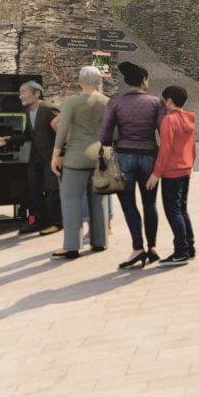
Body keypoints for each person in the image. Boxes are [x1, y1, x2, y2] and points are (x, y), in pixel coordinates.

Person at [101, 60, 166, 270]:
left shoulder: (115, 103)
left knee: (129, 204)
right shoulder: (157, 103)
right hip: (149, 157)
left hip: (124, 158)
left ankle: (137, 248)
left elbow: (104, 136)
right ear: (144, 80)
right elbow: (163, 134)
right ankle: (153, 247)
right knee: (150, 204)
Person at [50, 66, 111, 260]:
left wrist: (55, 155)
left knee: (71, 200)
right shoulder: (107, 102)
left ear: (80, 81)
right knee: (98, 199)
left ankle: (72, 246)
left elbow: (62, 131)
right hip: (100, 157)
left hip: (76, 158)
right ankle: (100, 241)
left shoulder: (72, 103)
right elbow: (114, 131)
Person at [148, 85, 197, 265]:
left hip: (172, 172)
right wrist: (190, 164)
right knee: (182, 210)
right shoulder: (189, 119)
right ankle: (189, 248)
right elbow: (192, 147)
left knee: (173, 212)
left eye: (164, 99)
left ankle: (181, 251)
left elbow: (165, 149)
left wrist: (156, 173)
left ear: (169, 100)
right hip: (185, 169)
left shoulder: (169, 120)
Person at [10, 80, 60, 236]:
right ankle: (39, 221)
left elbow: (63, 131)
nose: (20, 96)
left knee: (53, 190)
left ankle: (56, 222)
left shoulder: (49, 109)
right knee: (33, 189)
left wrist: (61, 154)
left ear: (37, 93)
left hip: (51, 156)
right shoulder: (27, 112)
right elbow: (27, 135)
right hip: (36, 157)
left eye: (23, 92)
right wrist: (6, 139)